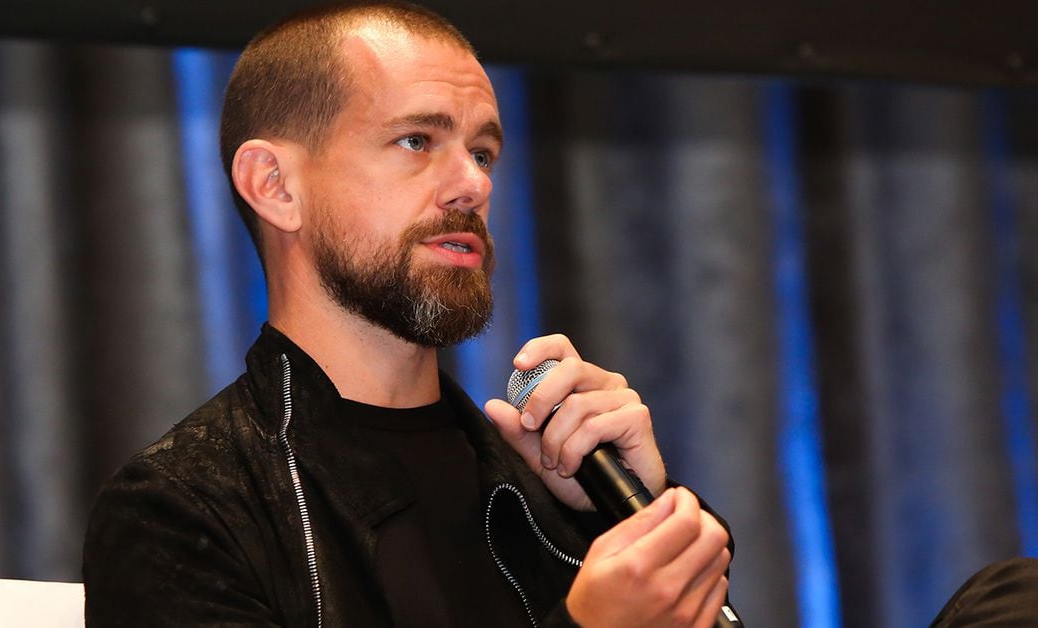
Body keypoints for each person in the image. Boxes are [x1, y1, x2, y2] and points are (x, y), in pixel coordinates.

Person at [82, 3, 734, 627]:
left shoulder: (555, 493)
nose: (473, 185)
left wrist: (641, 516)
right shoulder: (182, 511)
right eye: (417, 140)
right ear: (276, 187)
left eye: (482, 153)